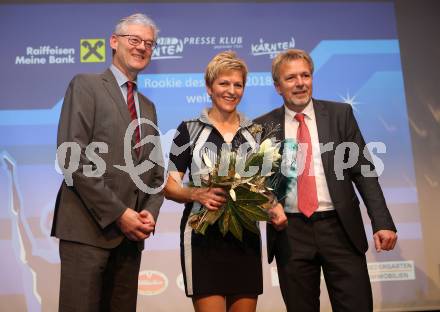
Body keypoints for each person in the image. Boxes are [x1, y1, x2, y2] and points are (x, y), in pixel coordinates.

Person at [255, 49, 398, 312]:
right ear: (277, 86)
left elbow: (363, 171)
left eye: (305, 75)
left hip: (340, 228)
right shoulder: (262, 126)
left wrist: (382, 221)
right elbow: (256, 185)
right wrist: (268, 205)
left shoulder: (339, 115)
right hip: (291, 233)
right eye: (291, 78)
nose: (300, 83)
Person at [52, 13, 164, 312]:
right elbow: (72, 160)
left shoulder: (148, 107)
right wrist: (119, 214)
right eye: (134, 40)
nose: (142, 47)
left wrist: (148, 214)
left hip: (130, 240)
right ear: (114, 42)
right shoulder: (86, 86)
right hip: (87, 234)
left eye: (149, 43)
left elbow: (155, 173)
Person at [164, 51, 285, 312]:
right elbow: (170, 186)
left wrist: (272, 205)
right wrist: (197, 194)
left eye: (238, 84)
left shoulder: (256, 132)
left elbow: (263, 188)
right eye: (223, 83)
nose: (231, 91)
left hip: (246, 240)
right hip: (202, 240)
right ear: (209, 88)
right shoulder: (189, 130)